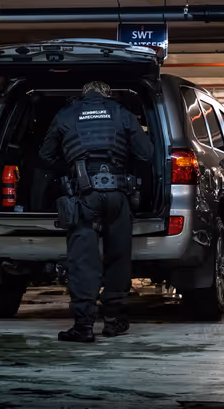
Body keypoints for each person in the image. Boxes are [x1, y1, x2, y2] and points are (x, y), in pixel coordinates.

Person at [40, 81, 153, 343]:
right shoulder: (122, 113)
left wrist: (71, 169)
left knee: (83, 261)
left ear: (83, 95)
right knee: (118, 256)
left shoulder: (66, 114)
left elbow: (45, 155)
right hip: (119, 194)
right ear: (107, 94)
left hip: (83, 194)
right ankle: (113, 321)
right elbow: (146, 154)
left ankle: (84, 326)